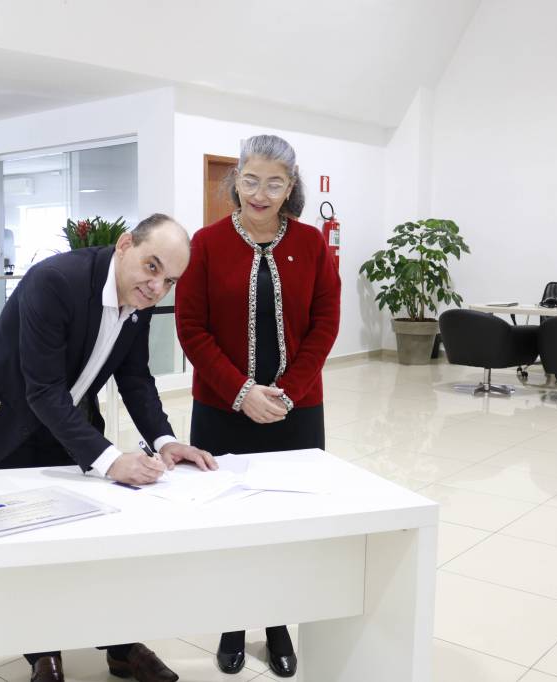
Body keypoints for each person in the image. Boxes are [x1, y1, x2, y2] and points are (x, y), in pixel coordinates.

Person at [0, 213, 216, 682]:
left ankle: (121, 647)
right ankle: (43, 655)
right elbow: (43, 391)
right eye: (152, 267)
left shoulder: (140, 298)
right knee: (28, 550)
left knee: (94, 540)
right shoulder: (54, 281)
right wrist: (112, 460)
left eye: (170, 280)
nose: (157, 288)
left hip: (62, 424)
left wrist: (166, 441)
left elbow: (135, 377)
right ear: (125, 245)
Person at [175, 135, 341, 678]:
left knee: (287, 519)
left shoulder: (313, 245)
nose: (260, 194)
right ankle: (230, 623)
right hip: (222, 411)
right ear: (235, 180)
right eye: (250, 180)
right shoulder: (205, 244)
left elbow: (325, 325)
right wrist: (241, 392)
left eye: (274, 183)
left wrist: (287, 391)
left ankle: (277, 624)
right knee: (228, 519)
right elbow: (191, 329)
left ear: (291, 187)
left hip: (297, 410)